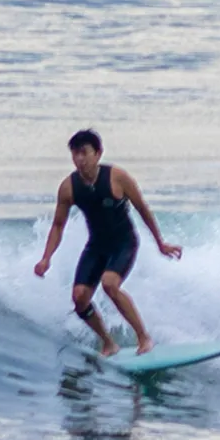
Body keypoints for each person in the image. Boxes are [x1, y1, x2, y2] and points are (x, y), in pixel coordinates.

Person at [33, 129, 182, 356]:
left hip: (124, 242)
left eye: (84, 153)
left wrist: (160, 243)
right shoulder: (68, 188)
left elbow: (142, 208)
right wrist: (46, 257)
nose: (79, 159)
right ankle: (108, 343)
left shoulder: (117, 177)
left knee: (110, 284)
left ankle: (144, 337)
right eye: (75, 154)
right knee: (79, 298)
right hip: (97, 246)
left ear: (98, 153)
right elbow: (58, 225)